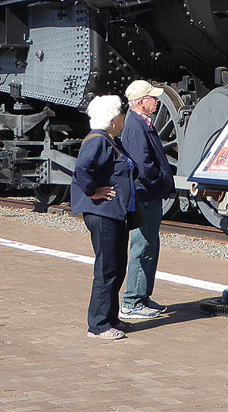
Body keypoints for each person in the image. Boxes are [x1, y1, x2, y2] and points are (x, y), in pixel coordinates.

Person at [71, 95, 135, 341]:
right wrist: (93, 191)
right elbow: (82, 168)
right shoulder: (98, 140)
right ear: (113, 118)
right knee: (107, 268)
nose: (123, 118)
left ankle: (110, 317)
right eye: (121, 114)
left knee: (117, 267)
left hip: (114, 213)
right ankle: (97, 325)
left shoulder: (110, 140)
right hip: (103, 213)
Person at [119, 79, 176, 321]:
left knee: (150, 245)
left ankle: (142, 296)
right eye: (153, 98)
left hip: (148, 193)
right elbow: (143, 165)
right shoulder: (135, 126)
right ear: (141, 102)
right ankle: (132, 300)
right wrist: (159, 182)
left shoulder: (141, 123)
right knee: (142, 246)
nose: (157, 101)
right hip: (145, 194)